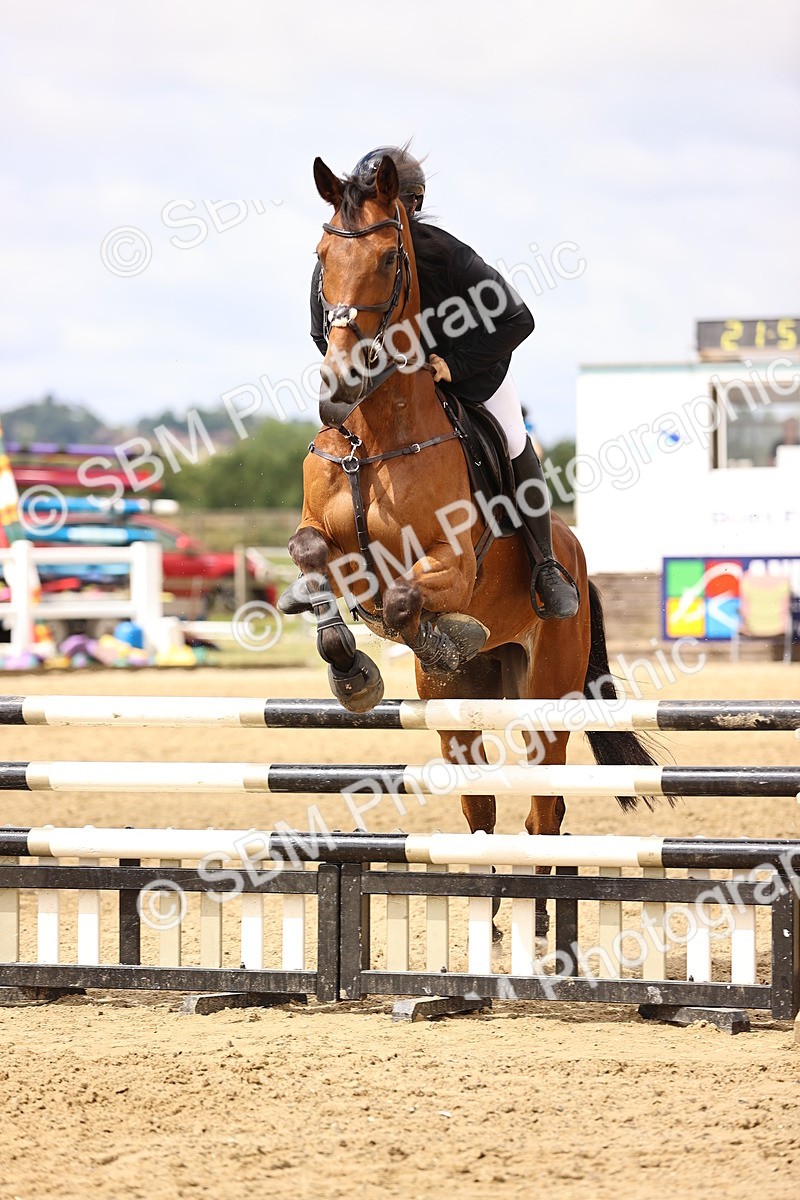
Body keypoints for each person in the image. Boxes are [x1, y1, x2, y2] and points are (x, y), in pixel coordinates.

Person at [292, 145, 579, 620]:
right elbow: (320, 332)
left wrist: (454, 365)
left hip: (470, 369)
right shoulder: (347, 249)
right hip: (391, 376)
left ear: (410, 206)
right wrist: (362, 367)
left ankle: (545, 564)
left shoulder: (445, 254)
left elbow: (518, 320)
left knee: (512, 438)